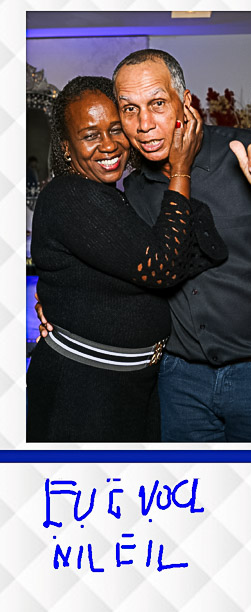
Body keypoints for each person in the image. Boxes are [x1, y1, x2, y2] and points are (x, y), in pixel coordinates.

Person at [38, 49, 251, 442]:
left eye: (157, 104)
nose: (144, 124)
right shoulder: (131, 188)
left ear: (185, 102)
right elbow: (120, 264)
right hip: (177, 379)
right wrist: (60, 303)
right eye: (129, 110)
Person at [27, 75, 226, 442]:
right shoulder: (69, 195)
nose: (108, 144)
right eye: (90, 135)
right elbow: (165, 266)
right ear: (67, 148)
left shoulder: (115, 196)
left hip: (135, 385)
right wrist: (181, 171)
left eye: (116, 129)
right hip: (83, 392)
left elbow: (200, 253)